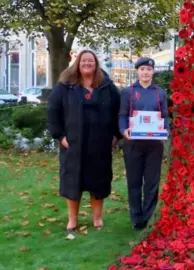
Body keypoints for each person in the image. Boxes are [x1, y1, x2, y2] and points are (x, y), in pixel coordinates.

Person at [47, 50, 122, 236]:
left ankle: (97, 217)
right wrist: (60, 136)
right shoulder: (65, 86)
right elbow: (52, 111)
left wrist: (116, 135)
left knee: (99, 180)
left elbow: (119, 111)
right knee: (73, 181)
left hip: (100, 145)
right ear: (77, 63)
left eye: (91, 61)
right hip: (73, 145)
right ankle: (72, 219)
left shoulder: (108, 87)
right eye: (84, 61)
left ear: (96, 64)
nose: (87, 63)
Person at [119, 57, 170, 230]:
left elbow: (164, 116)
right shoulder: (129, 92)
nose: (146, 72)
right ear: (137, 72)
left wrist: (165, 131)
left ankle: (148, 218)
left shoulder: (160, 92)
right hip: (133, 143)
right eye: (142, 69)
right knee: (134, 182)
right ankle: (136, 218)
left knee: (152, 182)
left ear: (153, 71)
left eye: (149, 69)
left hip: (154, 144)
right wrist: (123, 130)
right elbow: (122, 115)